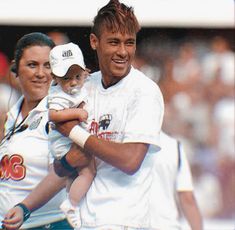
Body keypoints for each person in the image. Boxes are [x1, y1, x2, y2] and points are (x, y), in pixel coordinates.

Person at [2, 0, 164, 229]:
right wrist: (25, 207)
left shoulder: (144, 91)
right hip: (80, 222)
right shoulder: (83, 86)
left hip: (123, 223)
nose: (123, 51)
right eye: (114, 42)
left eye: (130, 43)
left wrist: (75, 133)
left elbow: (130, 161)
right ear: (94, 42)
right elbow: (61, 167)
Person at [0, 32, 75, 230]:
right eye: (32, 65)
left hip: (47, 224)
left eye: (48, 65)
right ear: (16, 69)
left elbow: (62, 173)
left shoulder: (61, 112)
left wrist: (24, 208)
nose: (41, 73)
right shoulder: (13, 115)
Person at [48, 42, 96, 229]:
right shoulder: (59, 95)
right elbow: (54, 115)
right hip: (64, 144)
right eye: (67, 78)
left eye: (78, 76)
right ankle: (71, 205)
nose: (74, 82)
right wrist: (77, 113)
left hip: (68, 142)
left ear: (85, 72)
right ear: (55, 78)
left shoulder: (78, 86)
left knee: (73, 177)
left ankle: (71, 202)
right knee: (88, 171)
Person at [150, 131, 203, 230]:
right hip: (166, 224)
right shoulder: (174, 146)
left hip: (133, 222)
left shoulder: (123, 142)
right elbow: (187, 198)